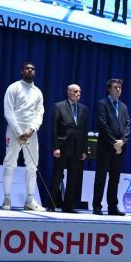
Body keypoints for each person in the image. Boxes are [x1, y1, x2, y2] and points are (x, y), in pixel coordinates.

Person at [2, 61, 45, 211]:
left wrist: (32, 130)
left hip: (31, 133)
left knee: (32, 166)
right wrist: (18, 132)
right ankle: (7, 198)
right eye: (27, 69)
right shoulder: (13, 88)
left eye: (32, 69)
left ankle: (29, 200)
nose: (30, 71)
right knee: (10, 163)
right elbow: (8, 111)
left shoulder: (38, 92)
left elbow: (39, 114)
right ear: (22, 71)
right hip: (14, 131)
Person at [92, 78, 130, 216]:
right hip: (105, 146)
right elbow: (102, 124)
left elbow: (127, 125)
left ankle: (112, 206)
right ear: (109, 89)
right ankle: (97, 206)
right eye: (115, 87)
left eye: (120, 87)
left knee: (115, 178)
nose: (118, 89)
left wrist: (122, 141)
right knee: (101, 177)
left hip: (120, 148)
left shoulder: (123, 106)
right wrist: (114, 142)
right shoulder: (102, 104)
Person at [50, 84, 88, 213]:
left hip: (77, 149)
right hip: (62, 147)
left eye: (79, 92)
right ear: (68, 92)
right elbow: (54, 129)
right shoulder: (59, 106)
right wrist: (55, 147)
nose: (78, 94)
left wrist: (84, 150)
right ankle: (52, 204)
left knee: (73, 178)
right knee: (57, 176)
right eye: (75, 91)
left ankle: (68, 206)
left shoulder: (84, 109)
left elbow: (85, 131)